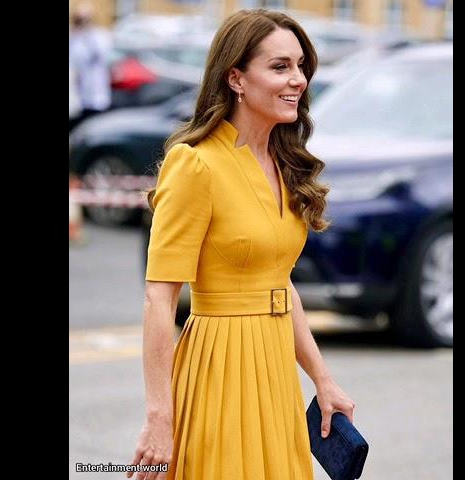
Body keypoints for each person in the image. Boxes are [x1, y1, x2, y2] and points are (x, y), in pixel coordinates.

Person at [128, 9, 356, 480]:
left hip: (275, 370)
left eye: (300, 66)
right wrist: (159, 416)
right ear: (235, 78)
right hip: (219, 367)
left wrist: (322, 378)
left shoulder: (283, 162)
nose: (297, 80)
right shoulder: (195, 165)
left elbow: (278, 283)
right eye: (279, 67)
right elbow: (159, 297)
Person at [68, 3, 112, 132]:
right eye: (79, 19)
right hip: (75, 97)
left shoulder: (100, 36)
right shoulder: (73, 37)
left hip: (95, 94)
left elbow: (99, 54)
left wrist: (87, 33)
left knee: (92, 130)